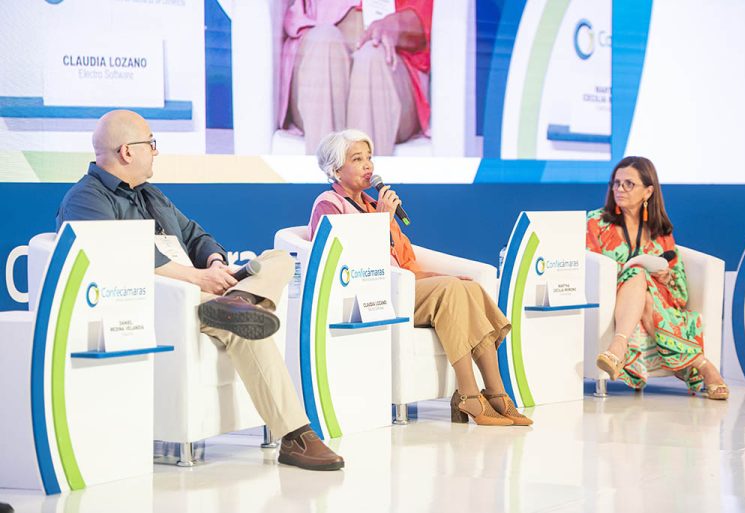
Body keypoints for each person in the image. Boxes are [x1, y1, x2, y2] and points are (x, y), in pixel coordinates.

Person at [56, 110, 344, 470]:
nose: (156, 151)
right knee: (244, 329)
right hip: (164, 303)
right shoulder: (86, 199)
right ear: (127, 151)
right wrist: (197, 279)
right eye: (151, 143)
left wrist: (214, 264)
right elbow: (119, 257)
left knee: (279, 260)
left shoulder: (150, 194)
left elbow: (196, 235)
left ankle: (239, 301)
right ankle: (296, 437)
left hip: (204, 292)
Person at [307, 129, 533, 426]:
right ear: (336, 169)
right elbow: (344, 264)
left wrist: (443, 276)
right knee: (452, 290)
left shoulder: (374, 205)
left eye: (369, 158)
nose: (368, 166)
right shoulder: (329, 204)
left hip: (400, 288)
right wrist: (382, 221)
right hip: (368, 294)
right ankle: (468, 394)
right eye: (357, 159)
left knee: (470, 288)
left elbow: (406, 266)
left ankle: (496, 393)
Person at [587, 156, 728, 400]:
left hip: (657, 300)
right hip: (612, 296)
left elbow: (680, 291)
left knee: (646, 294)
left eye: (629, 184)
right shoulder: (596, 222)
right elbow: (589, 268)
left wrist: (665, 276)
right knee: (637, 274)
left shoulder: (660, 232)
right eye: (616, 183)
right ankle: (703, 365)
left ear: (648, 191)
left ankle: (617, 348)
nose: (620, 189)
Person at [280, 1, 432, 156]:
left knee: (372, 57)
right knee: (324, 41)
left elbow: (427, 16)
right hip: (319, 61)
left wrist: (396, 25)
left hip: (388, 70)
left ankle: (362, 169)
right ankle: (326, 168)